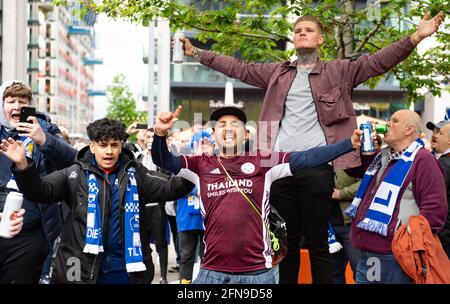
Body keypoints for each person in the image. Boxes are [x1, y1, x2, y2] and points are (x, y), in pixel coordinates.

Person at [177, 11, 445, 284]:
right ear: (293, 40)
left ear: (320, 39)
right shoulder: (276, 73)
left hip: (317, 167)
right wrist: (196, 52)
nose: (301, 33)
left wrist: (416, 36)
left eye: (308, 30)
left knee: (319, 243)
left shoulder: (340, 70)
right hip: (278, 168)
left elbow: (378, 61)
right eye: (297, 30)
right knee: (286, 242)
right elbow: (237, 66)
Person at [151, 105, 361, 284]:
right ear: (214, 134)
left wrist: (348, 144)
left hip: (258, 274)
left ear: (246, 134)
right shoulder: (199, 164)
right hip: (212, 272)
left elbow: (307, 158)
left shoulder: (263, 162)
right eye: (221, 125)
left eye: (235, 124)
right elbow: (164, 160)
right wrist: (160, 134)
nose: (228, 128)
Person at [0, 118, 194, 284]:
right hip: (80, 270)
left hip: (127, 272)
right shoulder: (73, 174)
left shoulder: (136, 174)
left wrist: (196, 165)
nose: (108, 151)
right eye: (102, 145)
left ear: (121, 146)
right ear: (92, 146)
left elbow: (172, 187)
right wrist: (23, 165)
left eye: (114, 145)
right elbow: (40, 191)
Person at [346, 110, 447, 284]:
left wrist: (407, 242)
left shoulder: (423, 160)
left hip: (395, 256)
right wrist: (355, 146)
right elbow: (351, 169)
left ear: (409, 129)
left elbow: (435, 212)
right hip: (369, 252)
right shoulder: (383, 156)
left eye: (395, 120)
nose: (388, 124)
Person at [0, 80, 77, 284]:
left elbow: (73, 161)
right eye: (10, 101)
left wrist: (44, 139)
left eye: (22, 101)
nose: (17, 107)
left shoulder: (45, 129)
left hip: (32, 232)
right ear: (2, 106)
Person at [330, 170, 361, 284]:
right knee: (333, 273)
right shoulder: (317, 160)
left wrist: (342, 193)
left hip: (350, 225)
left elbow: (367, 181)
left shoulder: (350, 157)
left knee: (360, 269)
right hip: (327, 228)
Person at [427, 120, 450, 258]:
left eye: (440, 133)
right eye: (434, 132)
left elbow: (432, 194)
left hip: (444, 232)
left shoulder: (444, 163)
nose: (435, 135)